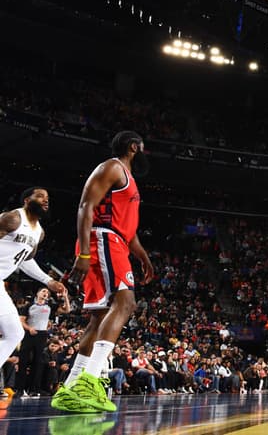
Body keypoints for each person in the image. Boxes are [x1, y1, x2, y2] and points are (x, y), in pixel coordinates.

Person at [52, 131, 155, 413]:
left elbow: (130, 233)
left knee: (99, 318)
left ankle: (71, 387)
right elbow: (86, 206)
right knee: (126, 303)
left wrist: (145, 259)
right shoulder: (113, 167)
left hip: (117, 242)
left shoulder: (129, 181)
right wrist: (84, 252)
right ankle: (91, 380)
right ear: (134, 147)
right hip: (103, 240)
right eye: (144, 147)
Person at [0, 188, 67, 394]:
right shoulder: (12, 218)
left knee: (14, 332)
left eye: (47, 198)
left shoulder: (39, 232)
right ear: (27, 200)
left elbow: (26, 261)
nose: (45, 200)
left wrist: (48, 281)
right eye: (40, 196)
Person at [18, 286, 71, 397]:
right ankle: (20, 389)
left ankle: (33, 390)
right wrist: (29, 328)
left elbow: (67, 310)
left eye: (47, 292)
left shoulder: (50, 306)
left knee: (37, 363)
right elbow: (21, 320)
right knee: (23, 361)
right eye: (43, 291)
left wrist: (65, 297)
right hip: (29, 334)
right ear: (38, 293)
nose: (46, 293)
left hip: (42, 335)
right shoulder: (29, 305)